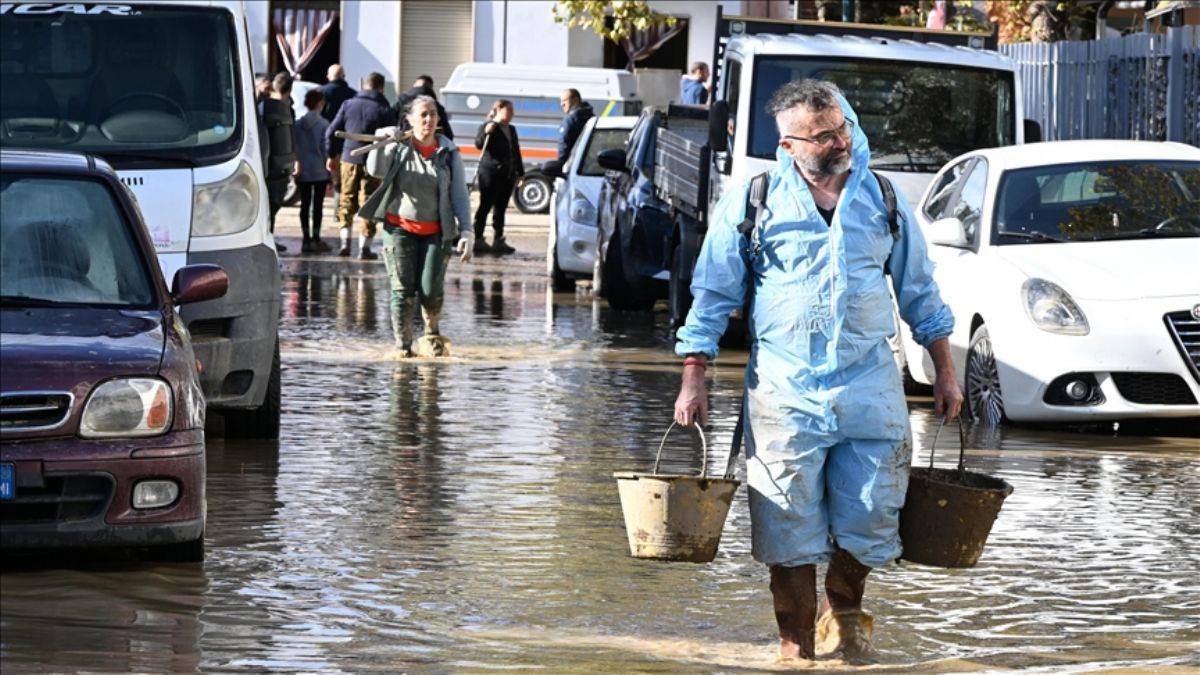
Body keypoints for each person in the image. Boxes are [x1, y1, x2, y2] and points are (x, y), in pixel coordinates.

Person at [672, 79, 963, 664]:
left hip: (870, 388)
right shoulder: (753, 200)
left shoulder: (880, 198)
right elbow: (711, 295)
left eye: (842, 129)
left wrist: (945, 371)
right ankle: (794, 651)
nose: (838, 142)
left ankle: (842, 606)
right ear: (788, 145)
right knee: (787, 528)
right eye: (822, 136)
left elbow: (919, 292)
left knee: (876, 516)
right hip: (785, 394)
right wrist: (694, 375)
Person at [359, 95, 474, 357]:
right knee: (402, 291)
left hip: (436, 232)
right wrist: (380, 141)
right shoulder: (398, 147)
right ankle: (403, 347)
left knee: (430, 290)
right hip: (399, 229)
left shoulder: (448, 153)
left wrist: (467, 230)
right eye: (423, 114)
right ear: (409, 119)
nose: (429, 119)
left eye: (433, 114)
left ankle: (431, 333)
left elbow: (459, 195)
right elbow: (375, 170)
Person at [326, 72, 395, 259]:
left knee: (346, 200)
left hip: (348, 159)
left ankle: (344, 244)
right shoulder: (384, 108)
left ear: (365, 85)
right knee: (369, 203)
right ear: (381, 87)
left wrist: (331, 155)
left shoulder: (348, 104)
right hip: (373, 162)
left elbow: (331, 131)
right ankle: (365, 248)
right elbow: (392, 137)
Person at [472, 99, 524, 256]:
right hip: (490, 173)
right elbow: (479, 144)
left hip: (507, 174)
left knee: (501, 208)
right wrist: (486, 132)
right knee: (485, 205)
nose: (512, 114)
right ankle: (478, 238)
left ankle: (498, 239)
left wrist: (520, 173)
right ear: (499, 110)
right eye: (509, 110)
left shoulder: (511, 129)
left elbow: (516, 151)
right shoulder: (489, 126)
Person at [260, 72, 297, 253]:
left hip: (263, 161)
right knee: (273, 202)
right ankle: (268, 237)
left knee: (269, 204)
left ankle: (268, 237)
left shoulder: (260, 105)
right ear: (290, 89)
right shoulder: (285, 109)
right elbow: (292, 137)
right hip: (278, 164)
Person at [294, 88, 332, 254]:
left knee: (304, 205)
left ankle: (305, 239)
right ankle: (316, 238)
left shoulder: (297, 123)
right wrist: (330, 171)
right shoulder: (324, 124)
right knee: (317, 206)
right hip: (319, 170)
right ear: (319, 103)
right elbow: (325, 148)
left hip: (303, 169)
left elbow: (294, 146)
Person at [394, 74, 453, 140]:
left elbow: (389, 123)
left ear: (414, 85)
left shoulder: (402, 101)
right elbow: (449, 135)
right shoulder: (437, 106)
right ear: (431, 88)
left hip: (404, 141)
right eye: (423, 115)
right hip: (429, 145)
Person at [554, 88, 593, 165]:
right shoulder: (591, 117)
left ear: (575, 100)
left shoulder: (570, 119)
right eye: (561, 101)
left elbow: (564, 143)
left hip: (572, 165)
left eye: (564, 100)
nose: (562, 104)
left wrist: (560, 164)